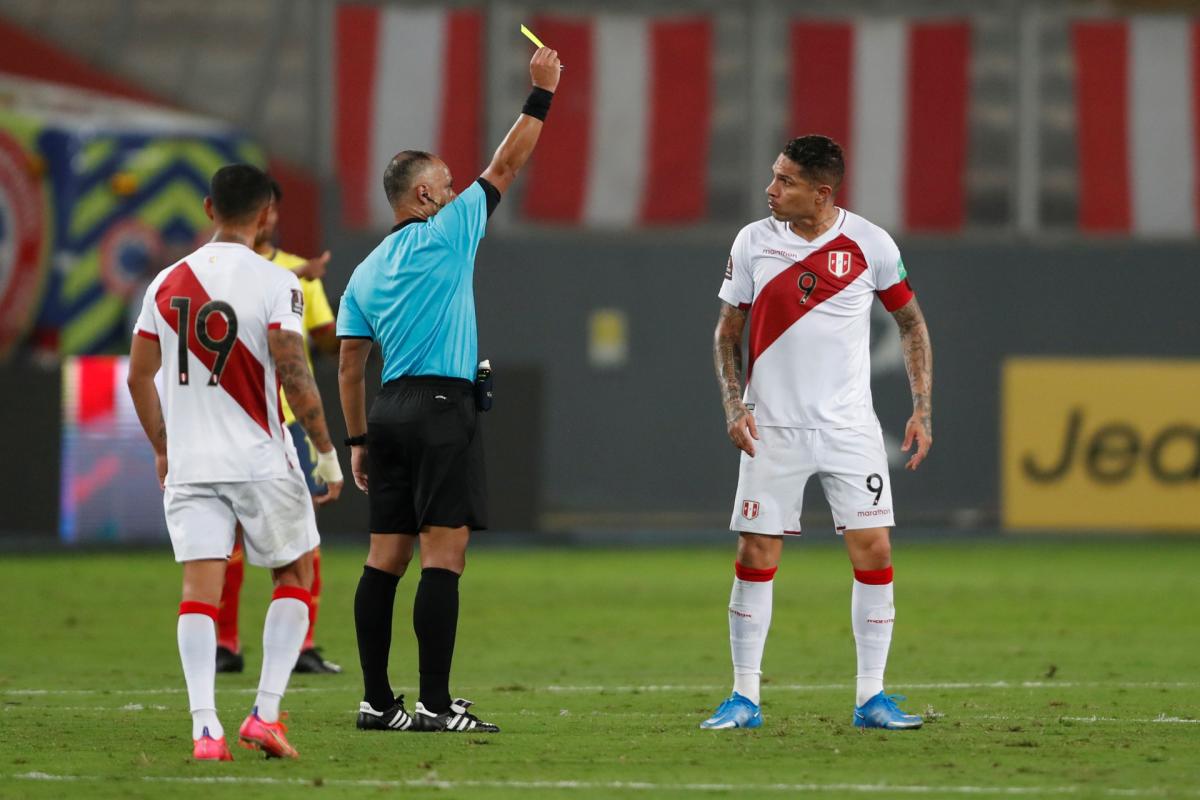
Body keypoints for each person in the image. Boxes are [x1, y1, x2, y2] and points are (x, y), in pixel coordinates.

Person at [336, 46, 561, 734]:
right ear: (426, 196)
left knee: (384, 558)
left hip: (388, 410)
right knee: (444, 555)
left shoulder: (365, 272)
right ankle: (435, 704)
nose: (458, 187)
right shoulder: (448, 231)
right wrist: (542, 94)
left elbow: (349, 365)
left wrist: (358, 440)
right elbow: (508, 165)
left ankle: (378, 702)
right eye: (446, 180)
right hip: (441, 408)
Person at [701, 135, 933, 732]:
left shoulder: (870, 244)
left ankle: (872, 697)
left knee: (875, 550)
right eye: (773, 176)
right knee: (755, 553)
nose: (771, 189)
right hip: (771, 425)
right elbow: (728, 330)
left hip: (850, 428)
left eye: (785, 181)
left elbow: (910, 323)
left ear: (821, 192)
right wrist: (733, 403)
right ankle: (743, 698)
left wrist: (921, 407)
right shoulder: (753, 241)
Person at [127, 164, 345, 760]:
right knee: (294, 576)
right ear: (268, 214)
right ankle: (265, 716)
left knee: (199, 591)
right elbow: (295, 372)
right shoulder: (277, 281)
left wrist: (163, 447)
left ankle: (205, 729)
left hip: (192, 464)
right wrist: (326, 453)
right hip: (261, 459)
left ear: (207, 208)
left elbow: (138, 376)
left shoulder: (165, 283)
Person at [215, 178, 342, 676]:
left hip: (284, 426)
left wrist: (358, 324)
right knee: (227, 539)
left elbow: (326, 340)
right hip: (248, 424)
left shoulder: (298, 278)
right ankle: (227, 644)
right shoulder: (240, 273)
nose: (268, 217)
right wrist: (297, 271)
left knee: (301, 537)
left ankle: (303, 645)